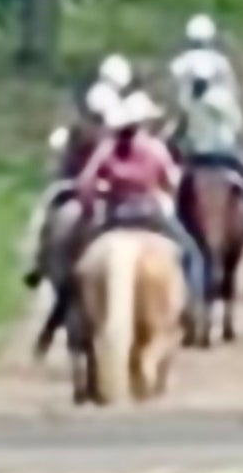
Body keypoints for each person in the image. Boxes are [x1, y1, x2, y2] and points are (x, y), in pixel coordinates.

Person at [74, 91, 207, 306]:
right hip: (151, 215)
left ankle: (74, 307)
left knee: (81, 259)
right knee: (191, 255)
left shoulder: (106, 149)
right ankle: (194, 307)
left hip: (114, 216)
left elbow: (85, 184)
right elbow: (172, 182)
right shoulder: (154, 148)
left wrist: (97, 199)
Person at [169, 14, 243, 246]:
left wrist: (173, 134)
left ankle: (169, 224)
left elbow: (178, 112)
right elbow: (235, 117)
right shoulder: (221, 70)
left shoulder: (179, 68)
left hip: (191, 151)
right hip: (223, 150)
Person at [21, 80, 119, 289]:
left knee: (42, 216)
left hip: (79, 187)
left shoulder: (81, 131)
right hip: (94, 188)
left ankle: (36, 263)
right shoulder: (111, 133)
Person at [178, 74, 243, 248]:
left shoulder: (188, 103)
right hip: (224, 156)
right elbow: (236, 124)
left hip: (197, 158)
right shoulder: (221, 100)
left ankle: (177, 223)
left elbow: (182, 131)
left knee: (179, 185)